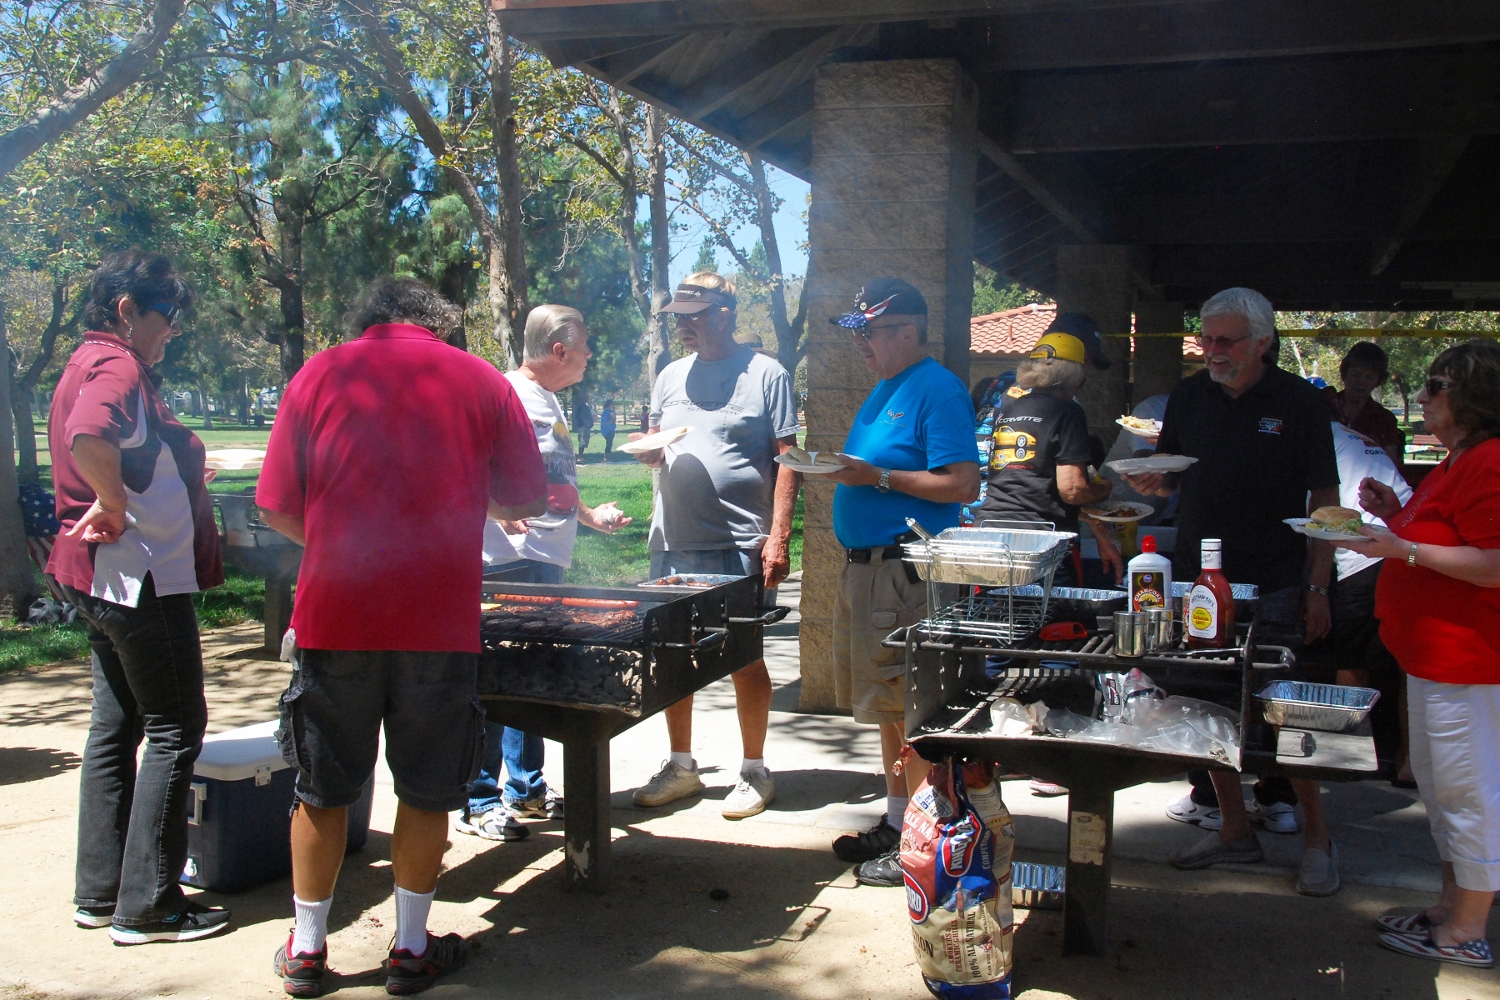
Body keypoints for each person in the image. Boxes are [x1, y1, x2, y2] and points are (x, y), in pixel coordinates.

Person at [257, 278, 546, 996]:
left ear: (370, 319)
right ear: (441, 326)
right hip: (437, 622)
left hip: (335, 615)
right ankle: (411, 948)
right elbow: (526, 499)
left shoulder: (318, 373)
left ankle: (307, 949)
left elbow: (275, 506)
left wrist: (333, 545)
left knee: (322, 788)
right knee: (426, 788)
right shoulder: (480, 380)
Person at [1122, 286, 1344, 896]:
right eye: (1207, 339)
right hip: (1199, 573)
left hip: (1275, 576)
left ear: (1262, 343)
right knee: (1204, 702)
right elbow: (1172, 481)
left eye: (1225, 341)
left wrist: (1318, 587)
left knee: (1287, 705)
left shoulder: (1300, 402)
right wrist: (1150, 482)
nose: (1212, 351)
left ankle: (1318, 840)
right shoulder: (1190, 396)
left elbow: (1325, 501)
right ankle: (1233, 830)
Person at [48, 251, 229, 944]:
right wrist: (114, 502)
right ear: (127, 310)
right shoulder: (116, 365)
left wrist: (171, 467)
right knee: (176, 726)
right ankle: (150, 904)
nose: (172, 331)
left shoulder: (88, 359)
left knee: (116, 726)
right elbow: (88, 433)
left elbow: (117, 439)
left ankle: (100, 892)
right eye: (166, 316)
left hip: (101, 580)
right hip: (138, 576)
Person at [1331, 342, 1500, 968]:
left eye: (1436, 385)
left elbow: (1493, 564)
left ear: (1473, 397)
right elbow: (1445, 536)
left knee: (1470, 792)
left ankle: (1467, 931)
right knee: (1445, 790)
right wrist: (1397, 515)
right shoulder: (1461, 459)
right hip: (1434, 661)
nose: (1423, 397)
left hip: (1470, 665)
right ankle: (1451, 908)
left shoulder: (1491, 461)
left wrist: (1400, 550)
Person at [820, 278, 980, 887]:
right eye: (859, 332)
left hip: (907, 573)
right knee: (889, 708)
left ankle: (925, 845)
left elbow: (962, 484)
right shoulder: (888, 387)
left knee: (913, 710)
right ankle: (898, 821)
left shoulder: (937, 389)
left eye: (872, 332)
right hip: (871, 571)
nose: (862, 344)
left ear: (908, 331)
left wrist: (877, 478)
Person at [628, 272, 801, 820]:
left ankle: (753, 770)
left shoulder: (765, 374)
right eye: (678, 316)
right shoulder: (670, 375)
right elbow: (657, 447)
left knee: (742, 659)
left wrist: (778, 536)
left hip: (738, 543)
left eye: (693, 315)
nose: (683, 325)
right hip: (672, 541)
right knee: (673, 658)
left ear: (725, 312)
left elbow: (787, 458)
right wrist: (649, 454)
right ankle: (682, 766)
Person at [462, 306, 633, 843]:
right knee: (494, 679)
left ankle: (527, 788)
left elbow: (552, 476)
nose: (588, 356)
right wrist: (493, 504)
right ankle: (479, 797)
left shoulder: (549, 399)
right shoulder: (501, 392)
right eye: (583, 347)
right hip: (506, 557)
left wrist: (588, 517)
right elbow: (466, 462)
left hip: (545, 557)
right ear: (559, 350)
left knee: (532, 675)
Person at [1303, 417, 1411, 776]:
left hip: (1369, 550)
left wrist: (1315, 590)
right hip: (1401, 535)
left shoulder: (1308, 431)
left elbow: (1318, 518)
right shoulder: (1340, 431)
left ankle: (1344, 759)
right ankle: (1405, 761)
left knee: (1350, 657)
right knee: (1404, 663)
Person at [977, 329, 1124, 586]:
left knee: (1000, 619)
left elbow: (1031, 483)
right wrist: (1103, 490)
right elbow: (1072, 490)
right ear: (1076, 377)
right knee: (1054, 622)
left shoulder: (1010, 409)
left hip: (990, 534)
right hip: (1040, 543)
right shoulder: (1068, 412)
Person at [1333, 341, 1405, 467]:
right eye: (1356, 375)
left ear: (1379, 381)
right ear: (1344, 374)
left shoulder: (1384, 419)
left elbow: (1390, 465)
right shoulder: (1325, 408)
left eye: (1370, 377)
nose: (1362, 382)